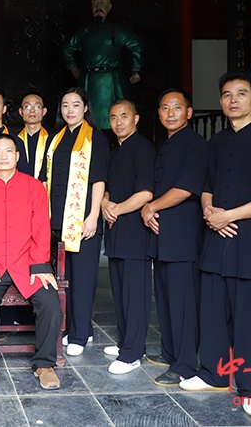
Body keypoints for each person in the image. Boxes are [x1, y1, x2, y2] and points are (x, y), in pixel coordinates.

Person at [179, 71, 251, 419]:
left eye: (241, 94)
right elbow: (207, 186)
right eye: (227, 95)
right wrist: (209, 210)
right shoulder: (215, 143)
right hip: (216, 239)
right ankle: (213, 374)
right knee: (212, 311)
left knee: (249, 318)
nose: (233, 100)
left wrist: (230, 216)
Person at [0, 134, 63, 392]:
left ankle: (45, 364)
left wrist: (41, 265)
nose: (4, 156)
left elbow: (42, 228)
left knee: (52, 306)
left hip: (27, 263)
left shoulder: (34, 187)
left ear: (17, 156)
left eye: (9, 151)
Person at [140, 89, 207, 387]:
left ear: (189, 113)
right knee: (165, 298)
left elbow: (184, 189)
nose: (170, 113)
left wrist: (151, 206)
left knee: (183, 303)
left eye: (176, 108)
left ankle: (184, 365)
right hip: (163, 235)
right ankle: (170, 353)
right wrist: (149, 209)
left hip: (183, 236)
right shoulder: (165, 145)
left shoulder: (195, 145)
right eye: (165, 108)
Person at [42, 88, 108, 357]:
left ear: (86, 108)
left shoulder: (96, 138)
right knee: (64, 278)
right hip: (57, 220)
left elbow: (98, 180)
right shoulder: (56, 139)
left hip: (82, 221)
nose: (70, 110)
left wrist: (93, 216)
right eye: (65, 105)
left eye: (76, 105)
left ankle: (80, 333)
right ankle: (74, 328)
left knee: (82, 279)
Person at [100, 99, 155, 374]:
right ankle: (126, 343)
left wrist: (116, 209)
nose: (118, 122)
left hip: (135, 233)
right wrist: (104, 203)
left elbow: (146, 193)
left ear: (136, 119)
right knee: (120, 292)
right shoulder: (115, 151)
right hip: (116, 231)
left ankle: (133, 353)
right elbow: (108, 189)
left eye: (124, 116)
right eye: (113, 117)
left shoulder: (143, 149)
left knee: (135, 294)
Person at [62, 0, 143, 130]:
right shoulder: (84, 32)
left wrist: (135, 70)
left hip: (112, 79)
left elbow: (136, 45)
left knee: (116, 114)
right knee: (86, 120)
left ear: (110, 7)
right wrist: (74, 69)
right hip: (88, 78)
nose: (98, 6)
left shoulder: (117, 29)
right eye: (94, 3)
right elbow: (67, 49)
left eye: (102, 2)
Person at [17, 92, 49, 179]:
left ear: (44, 111)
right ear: (21, 112)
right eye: (27, 106)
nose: (32, 110)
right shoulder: (13, 140)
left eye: (37, 106)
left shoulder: (53, 140)